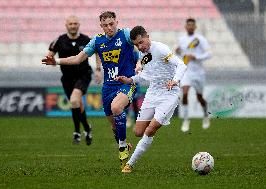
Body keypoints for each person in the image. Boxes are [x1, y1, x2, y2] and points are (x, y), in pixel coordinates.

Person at [42, 11, 140, 170]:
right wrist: (56, 61)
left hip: (127, 82)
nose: (109, 28)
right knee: (114, 125)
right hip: (108, 87)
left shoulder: (126, 34)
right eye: (105, 25)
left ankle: (122, 150)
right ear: (101, 26)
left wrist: (140, 62)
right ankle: (124, 144)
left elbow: (141, 42)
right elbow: (77, 59)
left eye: (112, 24)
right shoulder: (97, 41)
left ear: (116, 22)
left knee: (116, 108)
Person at [115, 26, 187, 173]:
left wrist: (175, 80)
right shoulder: (144, 56)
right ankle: (144, 139)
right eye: (136, 45)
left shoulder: (160, 49)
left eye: (141, 42)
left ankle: (130, 164)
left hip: (169, 93)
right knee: (137, 132)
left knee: (151, 128)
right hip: (153, 93)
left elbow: (181, 64)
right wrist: (128, 80)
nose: (140, 47)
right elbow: (144, 76)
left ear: (147, 36)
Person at [46, 15, 93, 145]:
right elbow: (50, 55)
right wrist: (51, 61)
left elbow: (98, 52)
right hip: (67, 78)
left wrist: (99, 70)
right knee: (76, 104)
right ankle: (87, 129)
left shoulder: (86, 40)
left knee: (74, 100)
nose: (73, 25)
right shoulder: (59, 40)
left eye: (75, 23)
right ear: (66, 25)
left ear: (79, 25)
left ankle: (77, 132)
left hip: (83, 75)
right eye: (70, 23)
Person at [175, 18, 212, 132]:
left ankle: (206, 115)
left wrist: (197, 57)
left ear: (195, 27)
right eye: (188, 25)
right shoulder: (182, 39)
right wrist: (178, 51)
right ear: (185, 27)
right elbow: (180, 52)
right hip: (187, 71)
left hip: (198, 73)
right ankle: (186, 120)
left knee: (199, 97)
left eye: (192, 25)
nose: (190, 27)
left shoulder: (200, 39)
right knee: (184, 93)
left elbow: (209, 54)